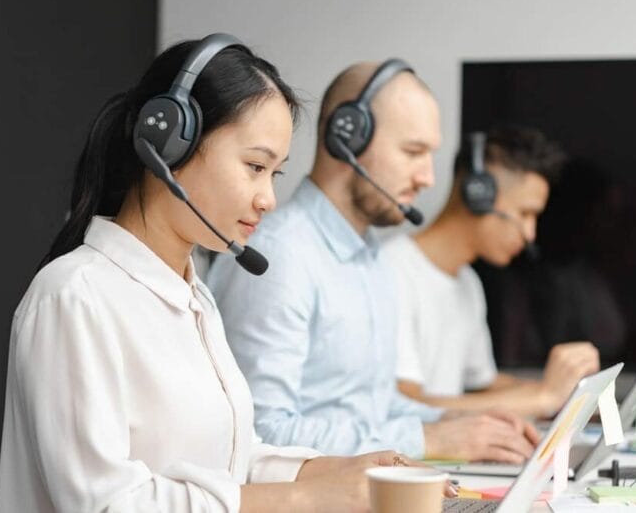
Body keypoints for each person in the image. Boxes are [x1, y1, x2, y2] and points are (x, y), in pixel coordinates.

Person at [0, 35, 443, 513]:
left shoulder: (195, 298)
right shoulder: (75, 296)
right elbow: (106, 504)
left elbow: (233, 458)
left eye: (275, 174)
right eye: (254, 166)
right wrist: (303, 497)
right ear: (168, 142)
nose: (268, 198)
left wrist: (338, 470)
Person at [207, 61, 539, 465]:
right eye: (413, 152)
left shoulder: (373, 259)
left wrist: (458, 421)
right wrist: (428, 439)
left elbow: (373, 406)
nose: (428, 178)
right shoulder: (281, 257)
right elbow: (261, 431)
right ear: (348, 135)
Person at [382, 126, 601, 418]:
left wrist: (566, 394)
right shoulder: (391, 270)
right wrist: (541, 399)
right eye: (525, 213)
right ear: (478, 194)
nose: (530, 234)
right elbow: (407, 406)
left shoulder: (468, 283)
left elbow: (483, 386)